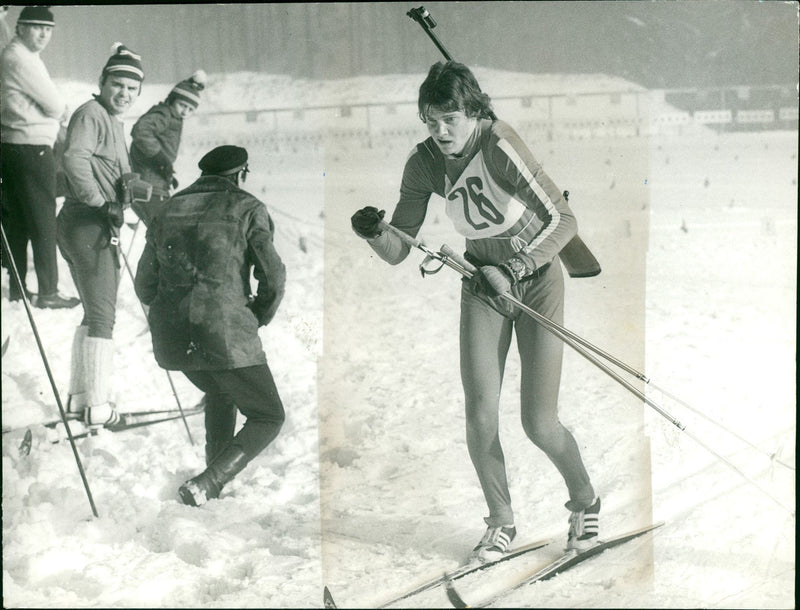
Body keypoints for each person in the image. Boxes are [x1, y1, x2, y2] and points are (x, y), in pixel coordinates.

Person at [351, 61, 599, 561]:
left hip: (536, 283)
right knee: (480, 414)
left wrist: (519, 266)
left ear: (473, 112)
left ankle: (585, 502)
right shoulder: (422, 163)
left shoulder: (499, 144)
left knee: (538, 421)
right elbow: (401, 248)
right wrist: (375, 232)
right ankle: (501, 522)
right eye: (430, 120)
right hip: (481, 285)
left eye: (450, 119)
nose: (440, 131)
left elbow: (563, 218)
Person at [134, 145, 287, 507]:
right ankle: (211, 481)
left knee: (222, 389)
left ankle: (208, 482)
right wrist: (257, 315)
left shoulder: (167, 209)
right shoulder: (248, 207)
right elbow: (274, 277)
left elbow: (144, 284)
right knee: (268, 415)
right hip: (225, 332)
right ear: (241, 173)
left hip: (172, 338)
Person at [56, 43, 147, 426]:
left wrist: (132, 187)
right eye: (117, 84)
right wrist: (99, 202)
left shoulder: (112, 121)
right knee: (103, 316)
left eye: (132, 88)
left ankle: (79, 400)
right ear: (102, 82)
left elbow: (111, 167)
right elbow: (74, 158)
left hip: (89, 223)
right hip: (87, 222)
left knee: (93, 311)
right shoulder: (92, 114)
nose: (124, 93)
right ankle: (97, 406)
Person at [0, 5, 78, 307]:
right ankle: (48, 292)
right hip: (33, 147)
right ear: (20, 28)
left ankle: (18, 289)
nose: (44, 34)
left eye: (48, 29)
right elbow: (55, 105)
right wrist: (59, 112)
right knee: (44, 220)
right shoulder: (21, 59)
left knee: (18, 220)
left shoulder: (16, 55)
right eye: (36, 27)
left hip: (13, 145)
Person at [129, 69, 206, 226]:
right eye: (182, 105)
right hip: (147, 184)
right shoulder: (164, 114)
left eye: (190, 109)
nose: (185, 111)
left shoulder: (174, 117)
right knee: (164, 227)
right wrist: (159, 159)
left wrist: (168, 174)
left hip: (156, 182)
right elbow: (141, 131)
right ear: (172, 100)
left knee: (164, 226)